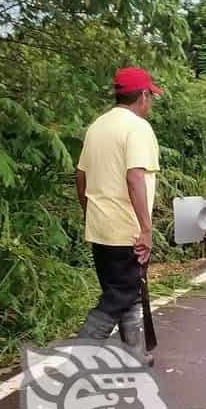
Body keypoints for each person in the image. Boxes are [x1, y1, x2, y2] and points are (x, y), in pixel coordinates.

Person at [74, 66, 162, 365]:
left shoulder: (98, 126)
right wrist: (146, 230)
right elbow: (135, 176)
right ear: (142, 95)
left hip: (100, 227)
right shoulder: (137, 128)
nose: (150, 102)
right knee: (120, 295)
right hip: (126, 230)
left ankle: (136, 355)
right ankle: (79, 355)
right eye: (150, 96)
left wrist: (91, 211)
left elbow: (81, 176)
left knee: (127, 291)